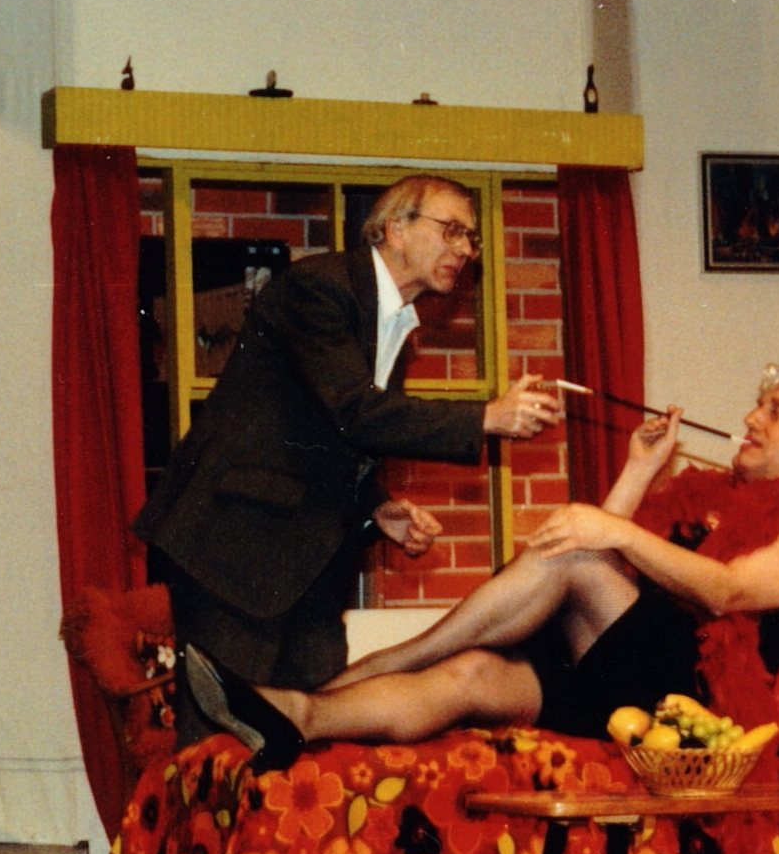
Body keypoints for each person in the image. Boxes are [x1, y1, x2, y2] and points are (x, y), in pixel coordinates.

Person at [179, 352, 779, 771]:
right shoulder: (722, 501)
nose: (752, 418)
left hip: (692, 705)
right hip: (626, 673)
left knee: (575, 553)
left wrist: (613, 529)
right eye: (758, 405)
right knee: (470, 675)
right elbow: (617, 569)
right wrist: (638, 472)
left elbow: (724, 594)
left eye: (774, 409)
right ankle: (299, 714)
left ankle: (373, 666)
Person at [134, 173, 562, 706]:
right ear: (394, 229)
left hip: (306, 565)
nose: (465, 250)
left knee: (313, 733)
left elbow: (316, 435)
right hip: (236, 551)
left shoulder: (394, 322)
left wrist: (375, 506)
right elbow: (355, 411)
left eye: (471, 238)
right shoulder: (318, 288)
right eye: (452, 230)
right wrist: (487, 417)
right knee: (224, 736)